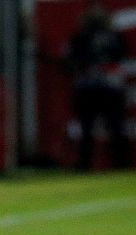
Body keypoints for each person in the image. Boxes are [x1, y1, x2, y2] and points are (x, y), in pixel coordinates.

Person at [66, 2, 130, 170]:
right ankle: (86, 163)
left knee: (115, 127)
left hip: (106, 87)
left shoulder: (112, 36)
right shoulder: (81, 37)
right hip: (93, 87)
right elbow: (71, 61)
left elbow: (122, 56)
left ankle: (120, 163)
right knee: (88, 128)